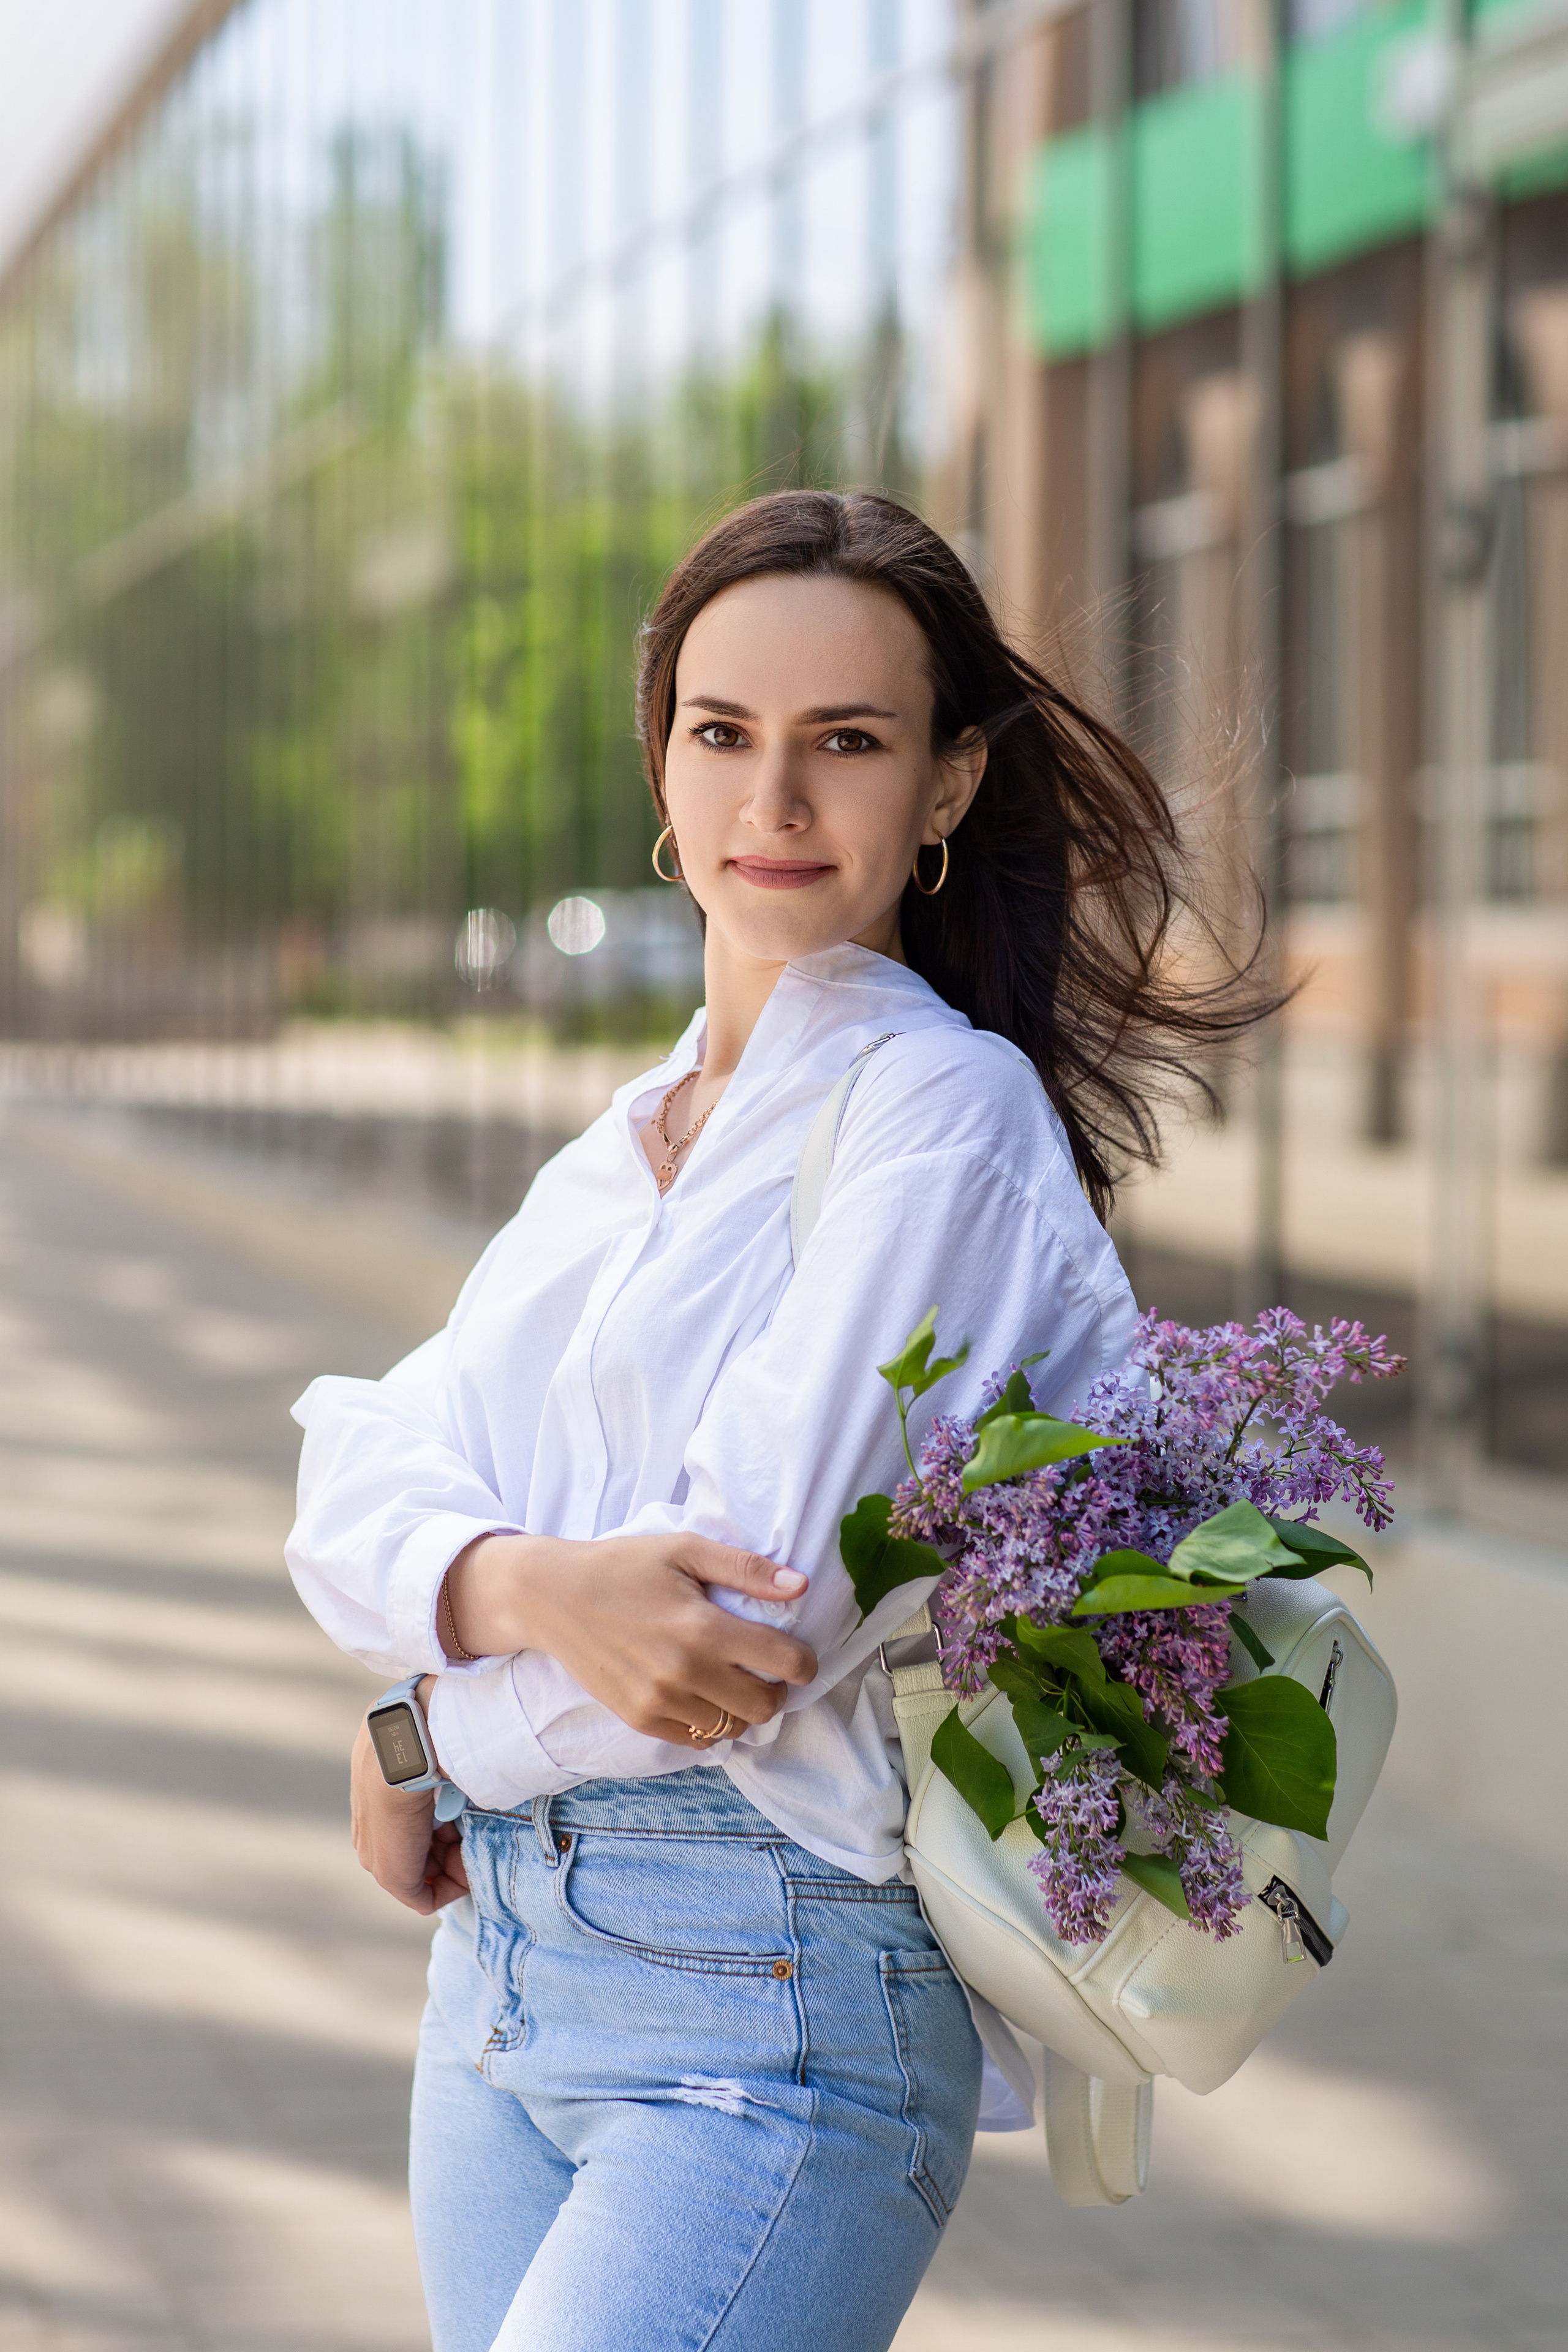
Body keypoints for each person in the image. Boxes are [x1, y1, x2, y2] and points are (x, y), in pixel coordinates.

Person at [286, 489, 1264, 2351]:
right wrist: (515, 1586)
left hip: (765, 2001)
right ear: (662, 767)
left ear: (950, 786)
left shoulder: (942, 1117)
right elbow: (352, 1465)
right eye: (724, 734)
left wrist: (428, 1728)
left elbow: (743, 1634)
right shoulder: (624, 1146)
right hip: (500, 1987)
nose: (775, 803)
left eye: (849, 743)